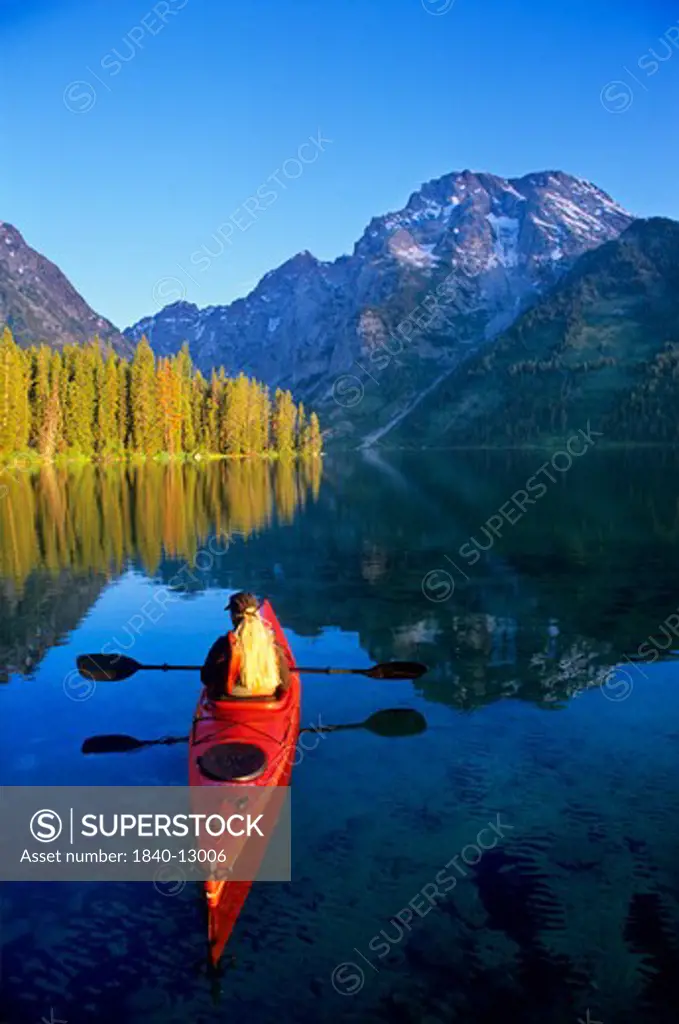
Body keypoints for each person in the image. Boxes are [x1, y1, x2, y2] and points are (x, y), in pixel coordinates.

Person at [201, 591, 291, 701]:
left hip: (227, 702)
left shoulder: (223, 644)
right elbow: (285, 683)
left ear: (233, 616)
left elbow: (206, 677)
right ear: (257, 614)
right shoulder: (271, 643)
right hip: (266, 700)